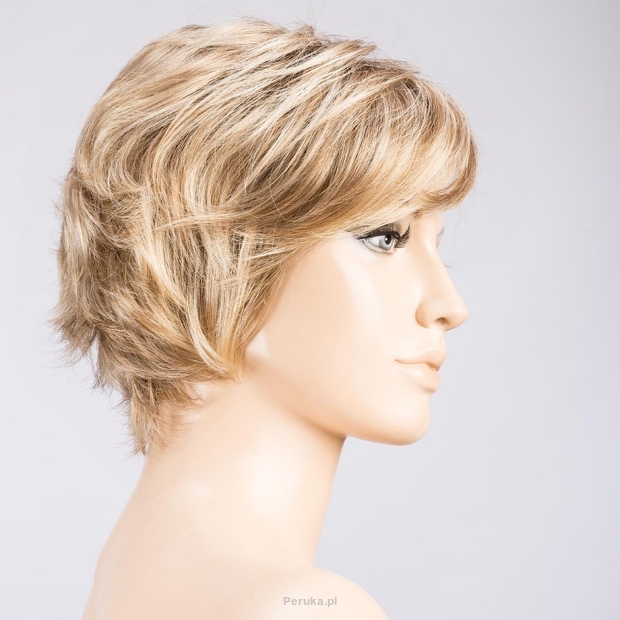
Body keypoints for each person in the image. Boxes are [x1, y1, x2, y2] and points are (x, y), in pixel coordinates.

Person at [54, 16, 477, 619]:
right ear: (225, 261)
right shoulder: (307, 607)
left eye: (436, 246)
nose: (448, 305)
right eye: (385, 237)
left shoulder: (130, 567)